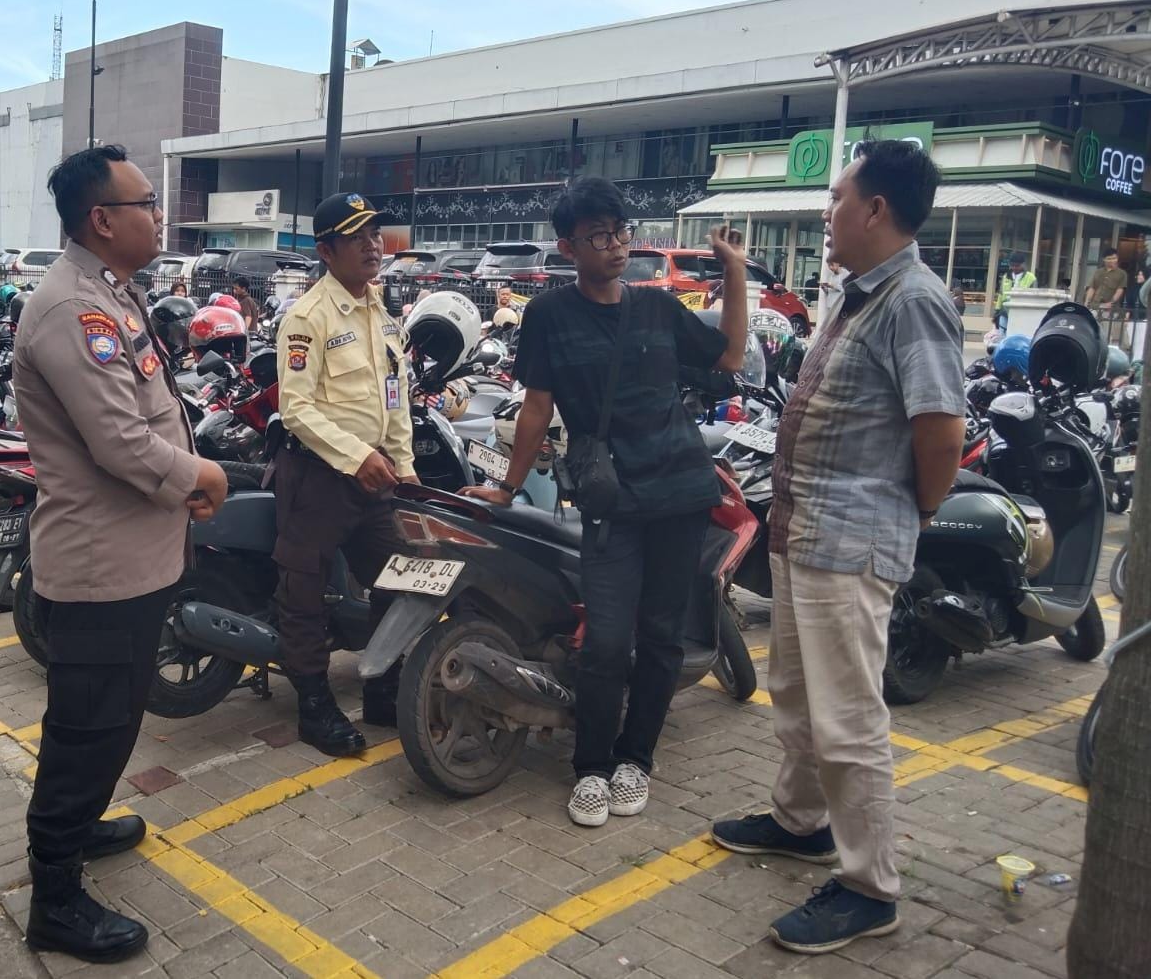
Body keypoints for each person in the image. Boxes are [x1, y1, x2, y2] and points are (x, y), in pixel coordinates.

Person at [711, 140, 964, 954]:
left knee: (848, 716)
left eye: (837, 198)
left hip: (850, 542)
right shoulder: (861, 295)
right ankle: (800, 821)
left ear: (876, 209)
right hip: (807, 532)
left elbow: (940, 432)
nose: (827, 214)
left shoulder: (914, 300)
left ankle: (870, 886)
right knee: (796, 692)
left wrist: (912, 510)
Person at [460, 178, 747, 825]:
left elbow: (729, 355)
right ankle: (590, 767)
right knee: (607, 641)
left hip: (680, 493)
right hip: (611, 500)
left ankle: (635, 759)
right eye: (598, 236)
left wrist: (733, 273)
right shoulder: (549, 315)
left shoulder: (658, 307)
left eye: (621, 232)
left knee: (662, 636)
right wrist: (508, 485)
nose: (616, 245)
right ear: (568, 247)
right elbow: (537, 407)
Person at [12, 144, 230, 964]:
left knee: (111, 720)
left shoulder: (109, 291)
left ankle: (80, 824)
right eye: (147, 203)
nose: (159, 215)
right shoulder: (75, 308)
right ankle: (55, 898)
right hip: (101, 568)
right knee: (86, 729)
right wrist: (201, 474)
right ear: (102, 219)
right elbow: (119, 440)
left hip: (133, 559)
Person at [274, 192, 416, 757]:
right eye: (356, 238)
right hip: (319, 477)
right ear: (326, 251)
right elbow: (296, 408)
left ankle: (382, 688)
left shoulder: (381, 313)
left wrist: (404, 465)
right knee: (303, 592)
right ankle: (313, 707)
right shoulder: (309, 316)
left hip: (376, 477)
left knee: (399, 578)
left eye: (374, 234)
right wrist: (357, 457)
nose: (371, 246)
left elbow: (395, 397)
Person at [993, 253, 1035, 330]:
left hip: (1021, 312)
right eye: (1012, 265)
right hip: (1004, 312)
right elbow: (1001, 294)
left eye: (1017, 265)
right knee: (1002, 333)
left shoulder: (1031, 278)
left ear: (1023, 264)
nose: (1014, 268)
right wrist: (997, 310)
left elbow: (1034, 297)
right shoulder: (1006, 276)